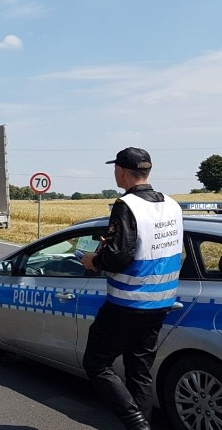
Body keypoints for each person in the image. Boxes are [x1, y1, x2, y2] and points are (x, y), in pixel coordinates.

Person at [80, 147, 183, 430]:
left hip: (128, 302)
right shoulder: (173, 205)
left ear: (121, 171)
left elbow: (118, 257)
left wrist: (94, 260)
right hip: (160, 302)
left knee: (96, 364)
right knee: (139, 371)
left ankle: (137, 423)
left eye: (115, 168)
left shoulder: (127, 206)